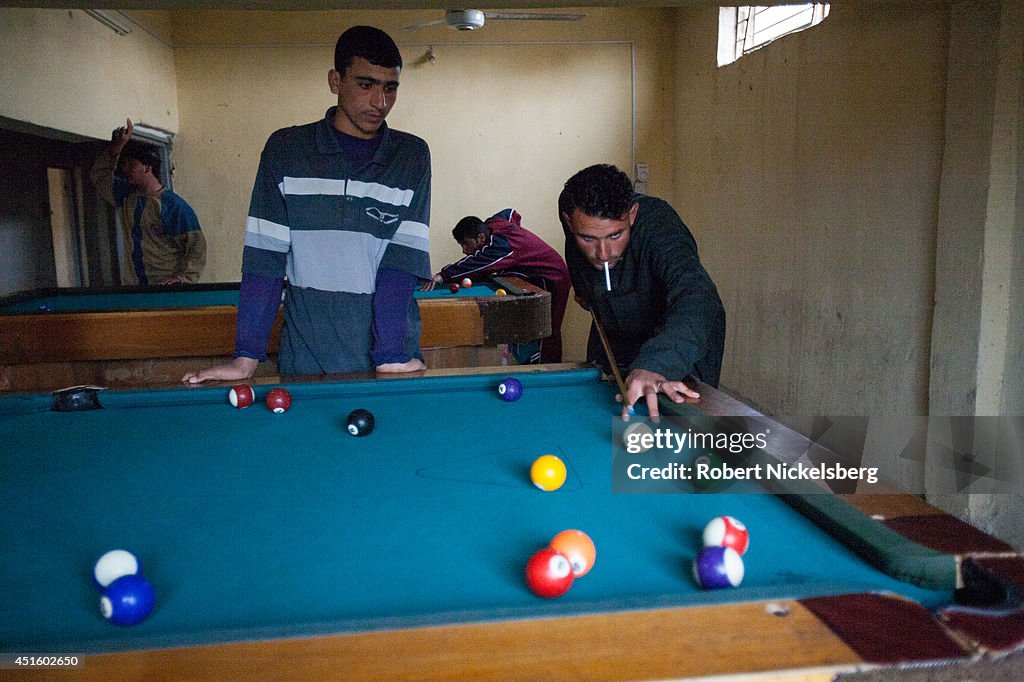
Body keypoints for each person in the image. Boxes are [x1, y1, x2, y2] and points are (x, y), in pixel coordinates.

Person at [183, 26, 430, 384]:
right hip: (306, 363)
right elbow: (264, 258)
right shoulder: (285, 150)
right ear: (335, 81)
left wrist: (391, 354)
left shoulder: (411, 155)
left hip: (389, 365)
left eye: (390, 87)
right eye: (366, 85)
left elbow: (402, 261)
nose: (381, 102)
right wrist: (245, 358)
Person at [558, 164, 726, 419]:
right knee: (604, 410)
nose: (604, 254)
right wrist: (583, 287)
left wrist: (655, 364)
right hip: (616, 324)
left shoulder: (660, 227)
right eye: (589, 239)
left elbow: (698, 297)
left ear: (632, 214)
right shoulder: (571, 213)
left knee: (675, 421)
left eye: (616, 235)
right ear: (570, 222)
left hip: (680, 336)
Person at [424, 209, 570, 363]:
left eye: (466, 244)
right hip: (534, 277)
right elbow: (511, 213)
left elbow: (474, 264)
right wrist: (518, 236)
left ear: (481, 237)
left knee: (547, 328)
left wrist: (442, 276)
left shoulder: (501, 246)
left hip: (552, 278)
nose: (464, 250)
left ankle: (546, 370)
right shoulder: (494, 224)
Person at [90, 119, 206, 285]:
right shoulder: (125, 195)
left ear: (147, 168)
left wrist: (183, 279)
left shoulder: (173, 206)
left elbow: (197, 248)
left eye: (131, 165)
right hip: (135, 289)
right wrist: (115, 149)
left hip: (165, 290)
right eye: (124, 164)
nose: (125, 169)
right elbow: (99, 176)